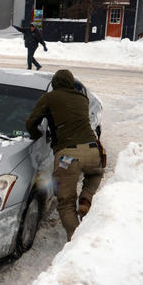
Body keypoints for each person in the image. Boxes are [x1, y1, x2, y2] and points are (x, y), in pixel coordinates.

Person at [25, 69, 104, 242]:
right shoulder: (83, 99)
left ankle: (77, 242)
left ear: (54, 84)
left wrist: (35, 134)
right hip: (91, 149)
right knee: (95, 174)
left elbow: (31, 121)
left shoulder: (50, 97)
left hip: (68, 156)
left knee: (66, 202)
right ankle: (86, 199)